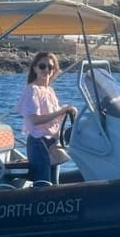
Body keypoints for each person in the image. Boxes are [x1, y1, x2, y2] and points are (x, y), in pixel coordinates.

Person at [16, 51, 77, 185]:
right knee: (43, 184)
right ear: (35, 68)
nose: (47, 70)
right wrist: (60, 111)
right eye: (42, 66)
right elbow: (35, 120)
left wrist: (67, 110)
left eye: (50, 67)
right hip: (38, 143)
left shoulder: (49, 90)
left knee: (54, 183)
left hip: (52, 142)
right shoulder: (32, 90)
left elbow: (53, 116)